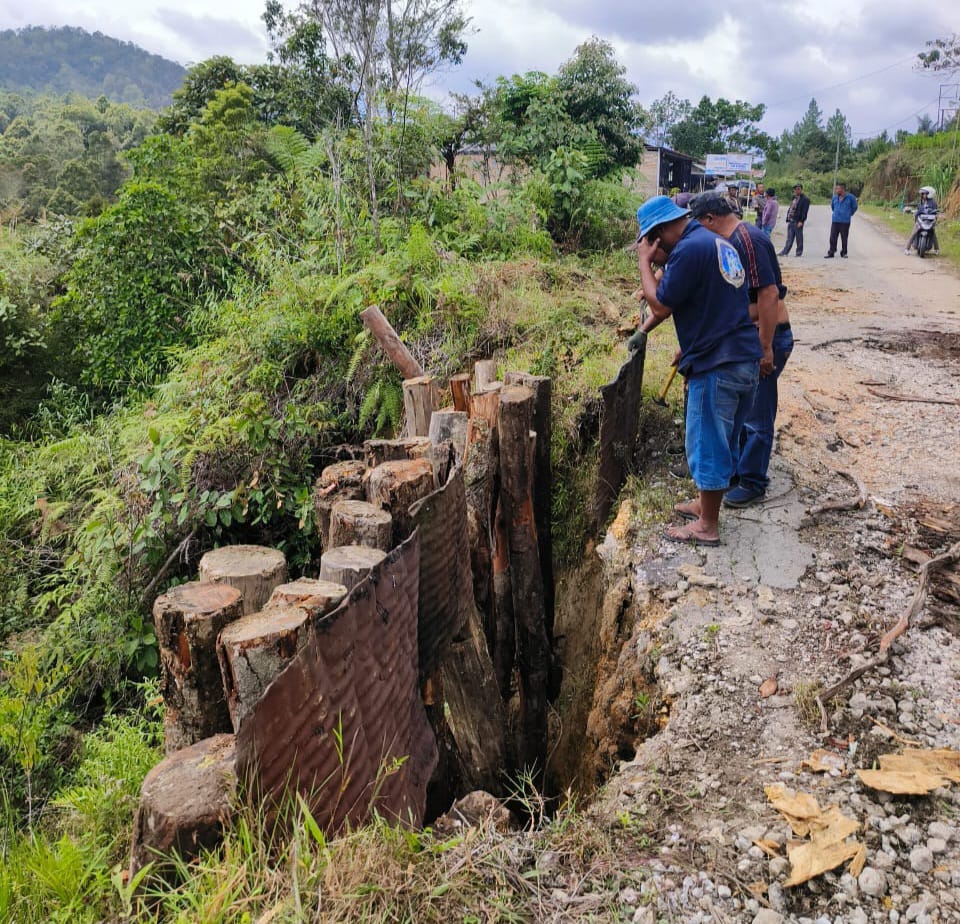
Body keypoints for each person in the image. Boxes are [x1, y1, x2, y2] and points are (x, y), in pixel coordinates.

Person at [633, 196, 761, 545]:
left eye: (653, 247)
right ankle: (706, 507)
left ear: (659, 235)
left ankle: (707, 526)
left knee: (708, 443)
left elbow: (660, 301)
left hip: (717, 363)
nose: (656, 257)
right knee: (724, 439)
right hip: (743, 357)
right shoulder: (715, 242)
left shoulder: (690, 249)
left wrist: (644, 264)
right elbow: (710, 303)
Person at [689, 191, 793, 507]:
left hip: (767, 337)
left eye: (699, 225)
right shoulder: (729, 242)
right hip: (748, 339)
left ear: (709, 219)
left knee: (757, 415)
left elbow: (769, 295)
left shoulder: (749, 239)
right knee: (739, 412)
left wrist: (765, 348)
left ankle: (753, 480)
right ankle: (735, 471)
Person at [825, 182, 858, 258]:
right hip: (835, 220)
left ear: (842, 189)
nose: (836, 190)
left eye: (838, 189)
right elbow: (833, 207)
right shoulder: (835, 198)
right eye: (836, 189)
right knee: (832, 237)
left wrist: (850, 213)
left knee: (844, 237)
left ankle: (844, 252)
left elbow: (855, 207)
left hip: (845, 221)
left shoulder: (850, 197)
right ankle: (831, 252)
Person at [904, 186, 940, 254]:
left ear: (929, 194)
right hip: (921, 221)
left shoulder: (933, 203)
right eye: (923, 194)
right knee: (914, 233)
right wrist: (913, 211)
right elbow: (918, 209)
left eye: (925, 193)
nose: (923, 195)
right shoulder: (921, 202)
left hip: (929, 222)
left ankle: (936, 249)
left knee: (933, 233)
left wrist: (935, 213)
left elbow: (935, 212)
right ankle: (907, 249)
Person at [779, 183, 810, 257]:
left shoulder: (805, 199)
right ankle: (785, 252)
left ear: (801, 190)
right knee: (789, 238)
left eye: (798, 189)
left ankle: (799, 252)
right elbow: (791, 208)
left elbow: (804, 212)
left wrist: (801, 221)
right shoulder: (794, 197)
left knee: (799, 238)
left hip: (798, 221)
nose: (797, 190)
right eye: (795, 189)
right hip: (791, 220)